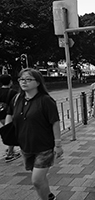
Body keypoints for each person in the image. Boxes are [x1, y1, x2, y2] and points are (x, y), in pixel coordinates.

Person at [5, 68, 63, 200]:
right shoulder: (17, 98)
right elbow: (9, 113)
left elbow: (55, 122)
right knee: (40, 179)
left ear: (37, 82)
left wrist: (58, 144)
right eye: (21, 79)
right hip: (26, 146)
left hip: (44, 147)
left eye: (28, 79)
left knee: (36, 180)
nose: (24, 82)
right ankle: (49, 196)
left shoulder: (46, 100)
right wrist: (7, 130)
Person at [0, 74, 20, 162]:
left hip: (0, 115)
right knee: (11, 132)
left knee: (7, 131)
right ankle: (10, 153)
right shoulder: (13, 92)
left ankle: (10, 150)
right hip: (9, 115)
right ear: (11, 82)